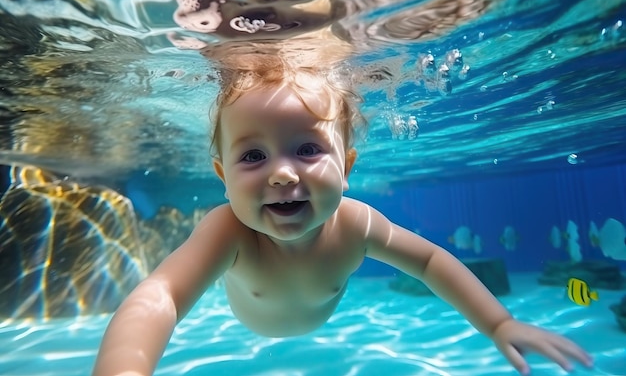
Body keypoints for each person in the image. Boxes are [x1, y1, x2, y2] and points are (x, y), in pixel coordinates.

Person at [92, 55, 593, 376]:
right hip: (252, 327)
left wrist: (498, 324)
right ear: (222, 176)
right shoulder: (229, 231)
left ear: (347, 166)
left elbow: (431, 262)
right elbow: (160, 295)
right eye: (252, 157)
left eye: (307, 148)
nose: (283, 175)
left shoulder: (357, 225)